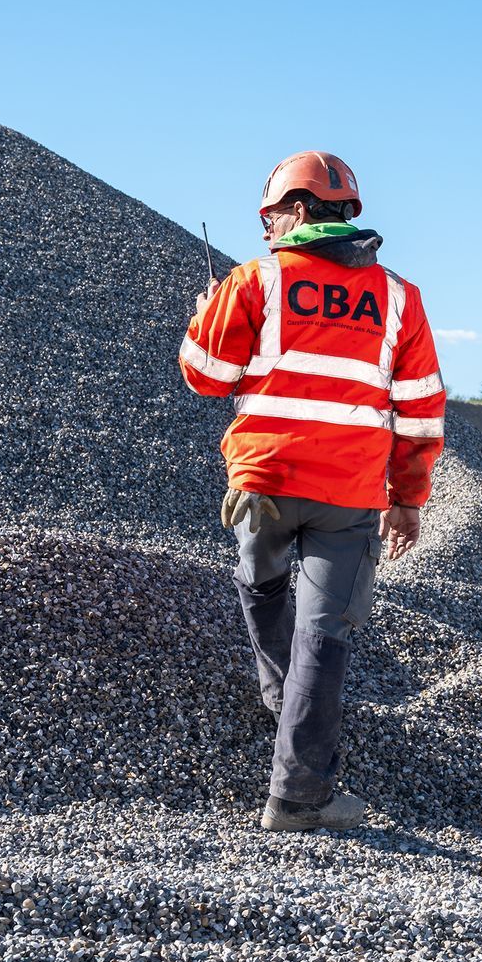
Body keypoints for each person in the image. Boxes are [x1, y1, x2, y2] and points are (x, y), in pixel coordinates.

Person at [178, 151, 445, 831]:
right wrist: (407, 498)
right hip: (347, 495)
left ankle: (282, 700)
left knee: (262, 586)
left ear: (298, 210)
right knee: (324, 637)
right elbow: (420, 412)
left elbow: (206, 376)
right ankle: (298, 794)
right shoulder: (399, 298)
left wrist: (205, 316)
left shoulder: (254, 280)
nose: (267, 229)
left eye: (271, 216)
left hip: (263, 481)